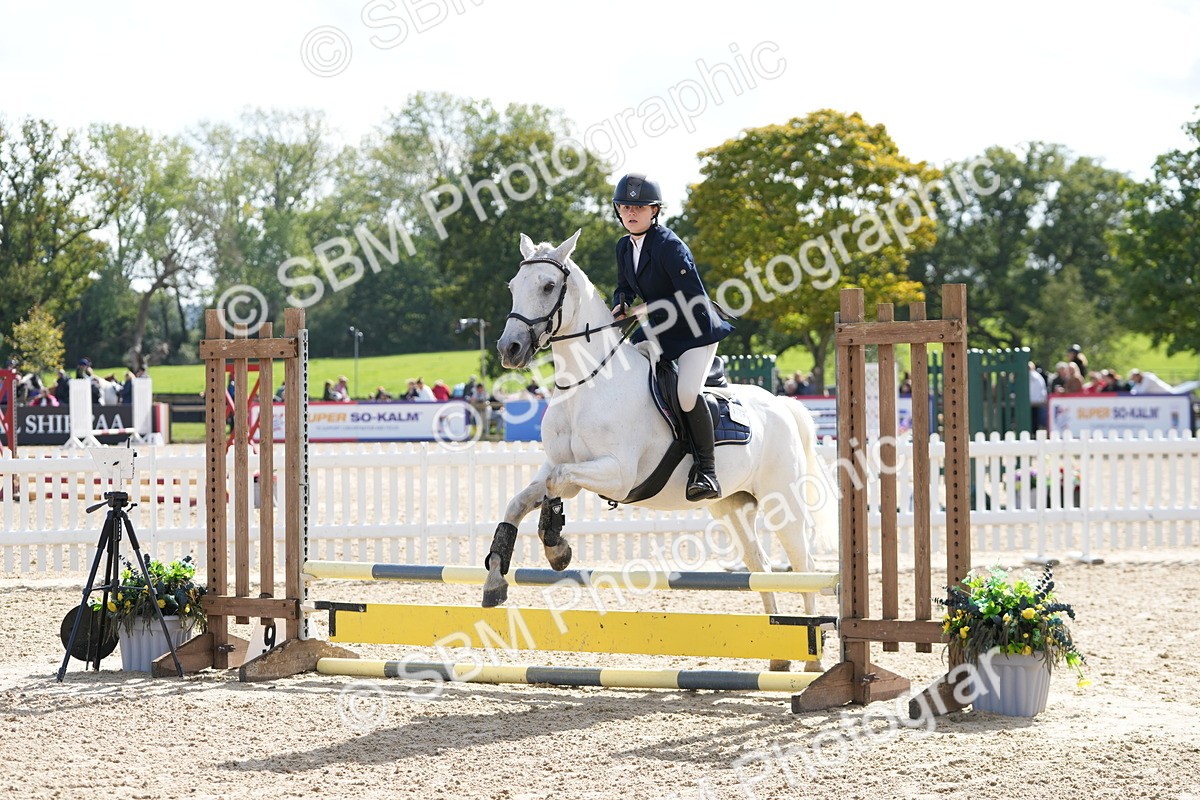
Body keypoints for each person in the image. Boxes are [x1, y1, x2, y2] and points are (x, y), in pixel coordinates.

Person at [609, 173, 733, 501]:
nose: (631, 212)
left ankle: (707, 471)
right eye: (624, 206)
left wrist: (642, 310)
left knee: (687, 395)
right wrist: (620, 302)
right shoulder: (624, 246)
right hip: (661, 331)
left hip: (695, 330)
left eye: (639, 207)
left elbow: (689, 296)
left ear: (654, 211)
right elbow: (624, 285)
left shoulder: (670, 246)